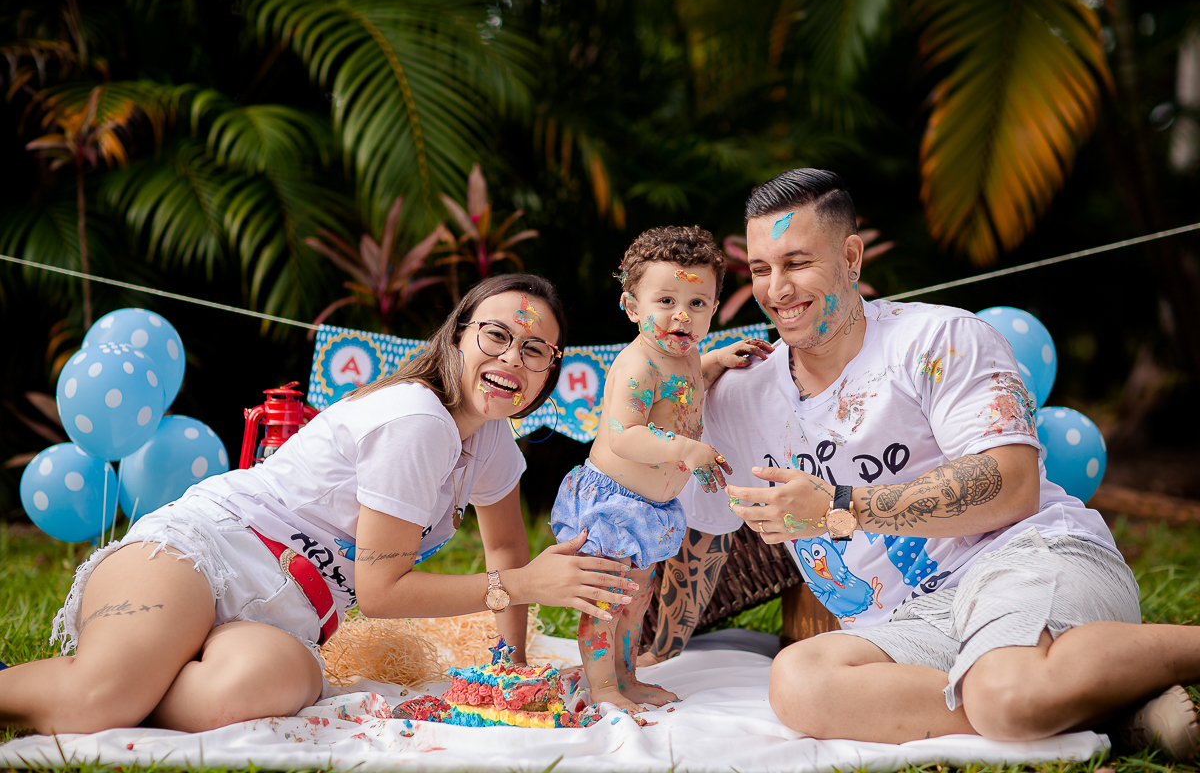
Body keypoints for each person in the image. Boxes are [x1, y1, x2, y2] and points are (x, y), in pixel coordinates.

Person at [665, 169, 1200, 758]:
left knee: (1005, 692)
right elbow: (664, 506)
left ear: (851, 257)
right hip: (908, 624)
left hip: (1021, 558)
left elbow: (1013, 484)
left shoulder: (939, 338)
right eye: (762, 270)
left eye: (796, 263)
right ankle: (1103, 707)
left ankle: (1086, 683)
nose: (777, 289)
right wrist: (680, 391)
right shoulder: (740, 395)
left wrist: (841, 507)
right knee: (798, 683)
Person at [0, 273, 637, 736]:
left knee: (265, 689)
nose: (510, 359)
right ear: (456, 337)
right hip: (202, 552)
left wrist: (511, 665)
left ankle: (143, 670)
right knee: (96, 703)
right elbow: (384, 592)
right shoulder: (417, 420)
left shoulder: (490, 437)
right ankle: (75, 679)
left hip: (281, 618)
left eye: (534, 351)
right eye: (496, 335)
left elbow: (504, 546)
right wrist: (523, 585)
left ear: (550, 374)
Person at [550, 226, 773, 713]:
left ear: (714, 308)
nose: (682, 315)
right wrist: (688, 450)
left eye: (698, 303)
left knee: (637, 601)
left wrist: (715, 361)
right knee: (608, 603)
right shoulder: (639, 365)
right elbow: (623, 436)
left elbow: (688, 388)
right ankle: (604, 687)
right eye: (666, 300)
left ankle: (625, 676)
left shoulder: (686, 354)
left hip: (652, 507)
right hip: (613, 503)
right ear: (632, 307)